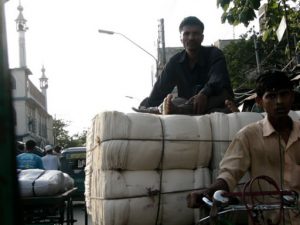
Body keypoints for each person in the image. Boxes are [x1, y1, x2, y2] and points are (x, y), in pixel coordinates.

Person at [186, 70, 300, 224]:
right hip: (267, 219)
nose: (279, 101)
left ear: (292, 97)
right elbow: (229, 174)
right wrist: (207, 193)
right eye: (271, 96)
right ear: (259, 101)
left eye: (284, 94)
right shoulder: (248, 136)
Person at [139, 16, 234, 115]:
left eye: (195, 33)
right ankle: (176, 109)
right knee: (177, 101)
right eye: (186, 34)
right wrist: (148, 107)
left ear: (202, 37)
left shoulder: (214, 54)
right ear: (181, 38)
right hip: (187, 104)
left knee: (219, 103)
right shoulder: (175, 62)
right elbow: (159, 90)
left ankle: (180, 110)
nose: (191, 37)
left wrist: (204, 93)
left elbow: (217, 79)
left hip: (216, 102)